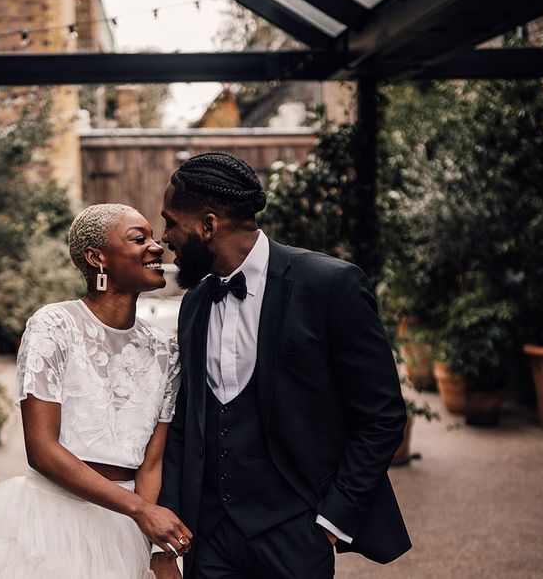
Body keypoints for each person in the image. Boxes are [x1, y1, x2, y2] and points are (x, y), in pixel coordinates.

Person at [151, 152, 411, 579]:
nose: (165, 237)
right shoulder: (195, 302)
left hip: (296, 533)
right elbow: (187, 422)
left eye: (171, 222)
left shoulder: (330, 285)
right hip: (210, 538)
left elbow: (382, 416)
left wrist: (332, 521)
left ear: (209, 225)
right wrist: (174, 530)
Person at [0, 204, 192, 578]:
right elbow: (42, 451)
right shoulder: (53, 326)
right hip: (54, 522)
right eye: (139, 238)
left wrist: (155, 548)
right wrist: (140, 510)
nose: (157, 247)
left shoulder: (166, 349)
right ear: (96, 257)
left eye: (153, 237)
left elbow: (152, 461)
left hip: (128, 532)